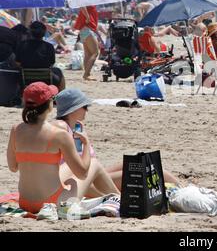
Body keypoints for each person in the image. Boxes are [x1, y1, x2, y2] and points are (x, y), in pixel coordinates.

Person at [6, 82, 119, 214]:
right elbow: (82, 173)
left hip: (25, 202)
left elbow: (13, 167)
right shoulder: (59, 134)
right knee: (94, 164)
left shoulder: (16, 130)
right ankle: (120, 198)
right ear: (49, 105)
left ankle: (116, 197)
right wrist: (86, 144)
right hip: (52, 203)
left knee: (65, 172)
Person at [53, 88, 179, 193]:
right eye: (85, 107)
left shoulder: (77, 127)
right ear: (74, 108)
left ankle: (183, 190)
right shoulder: (62, 129)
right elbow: (78, 170)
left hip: (93, 174)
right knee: (152, 173)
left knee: (139, 161)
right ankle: (184, 193)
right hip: (82, 178)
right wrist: (86, 143)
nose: (87, 110)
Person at [15, 21, 66, 91]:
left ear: (29, 32)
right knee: (58, 71)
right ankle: (60, 97)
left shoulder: (22, 45)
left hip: (26, 80)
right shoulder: (49, 47)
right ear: (44, 33)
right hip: (46, 79)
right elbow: (52, 64)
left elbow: (17, 63)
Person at [73, 6, 99, 81]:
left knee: (88, 54)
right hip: (87, 28)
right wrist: (87, 17)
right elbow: (82, 6)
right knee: (95, 53)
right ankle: (86, 74)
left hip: (85, 29)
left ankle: (87, 74)